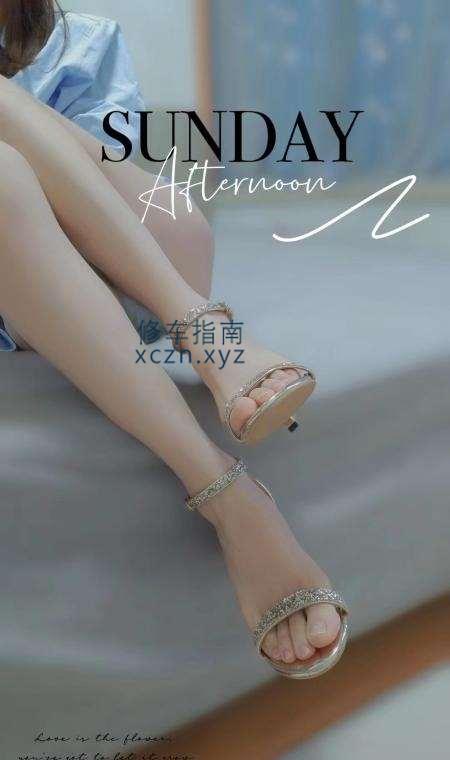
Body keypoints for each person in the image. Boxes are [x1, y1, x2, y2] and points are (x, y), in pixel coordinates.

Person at [0, 1, 348, 678]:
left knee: (174, 224)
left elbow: (128, 202)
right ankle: (228, 494)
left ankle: (198, 327)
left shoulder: (80, 40)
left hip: (118, 271)